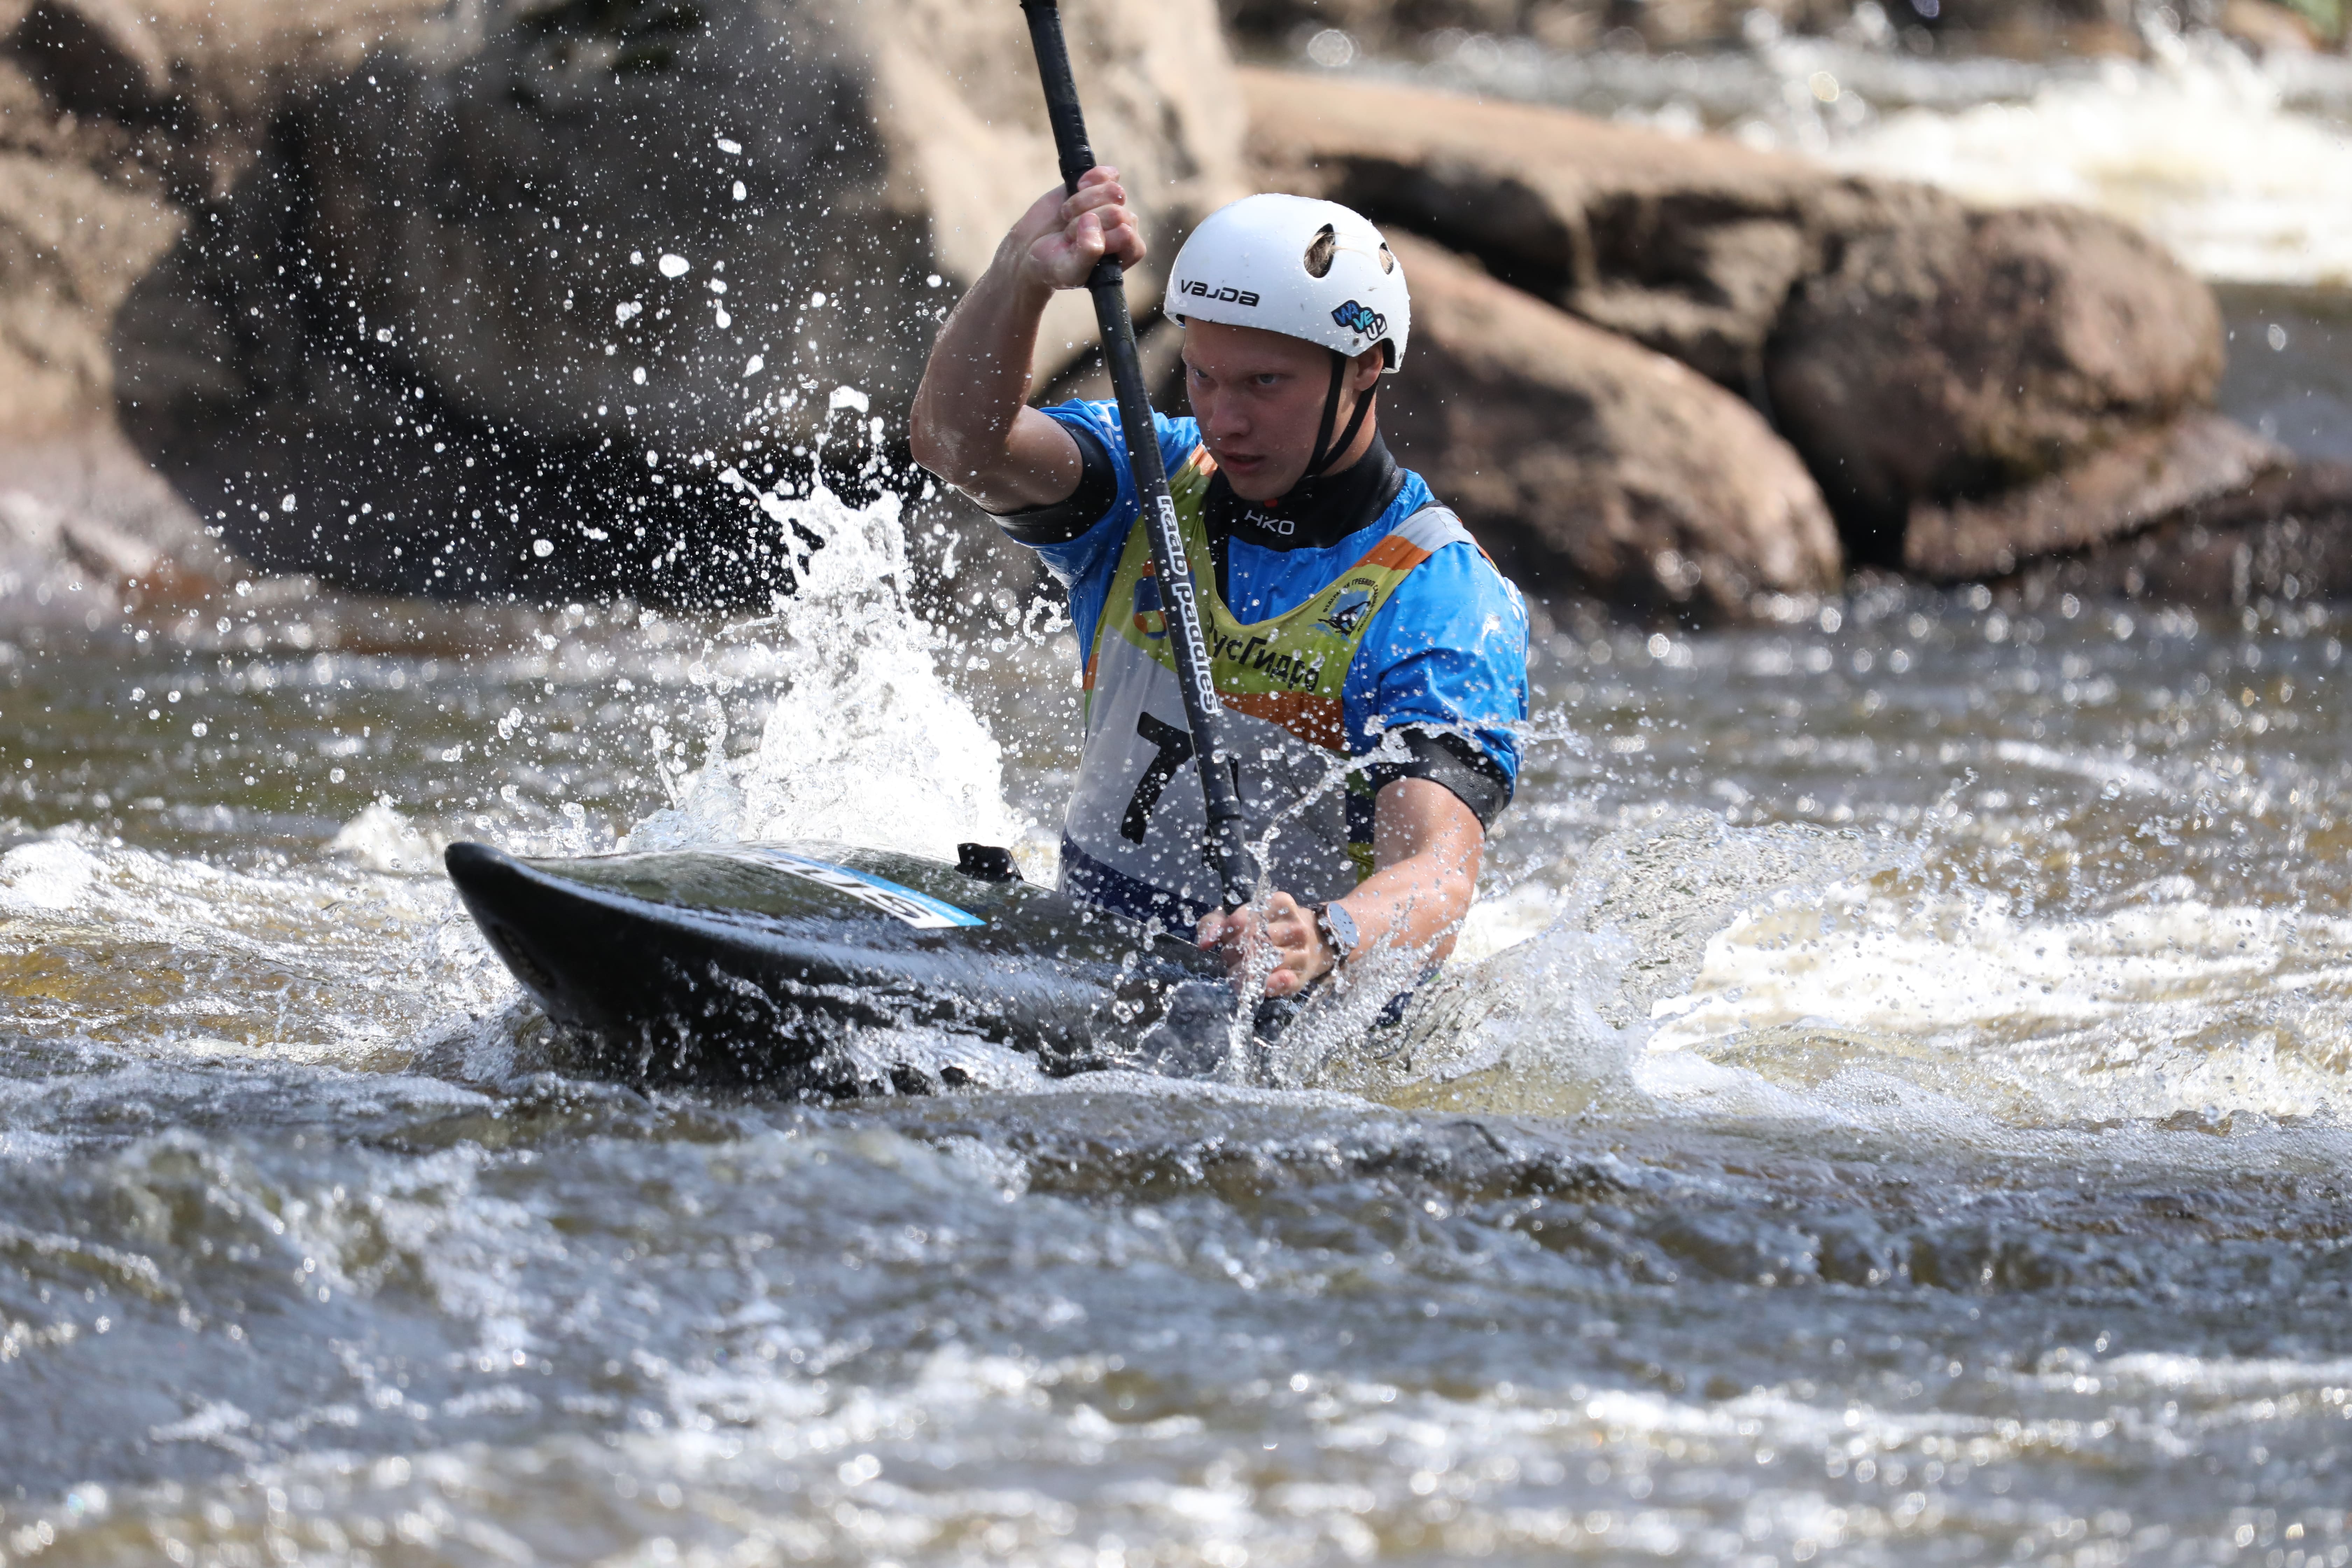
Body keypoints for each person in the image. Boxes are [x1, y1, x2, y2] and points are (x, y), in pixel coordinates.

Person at [909, 169, 1528, 1007]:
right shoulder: (1149, 478)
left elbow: (1440, 874)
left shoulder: (1438, 597)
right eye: (1203, 376)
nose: (1224, 419)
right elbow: (958, 445)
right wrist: (1020, 274)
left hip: (1288, 1021)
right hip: (1087, 972)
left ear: (1364, 367)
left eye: (1264, 383)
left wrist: (1323, 936)